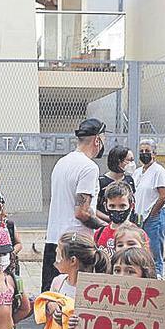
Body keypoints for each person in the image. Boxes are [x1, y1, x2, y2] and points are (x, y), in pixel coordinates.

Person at [42, 118, 106, 292]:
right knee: (73, 300)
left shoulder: (62, 163)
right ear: (97, 140)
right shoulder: (89, 168)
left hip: (54, 241)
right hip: (76, 246)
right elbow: (81, 212)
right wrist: (105, 228)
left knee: (50, 298)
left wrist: (106, 219)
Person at [133, 138, 165, 276]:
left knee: (154, 252)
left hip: (154, 217)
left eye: (147, 151)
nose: (144, 154)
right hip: (139, 218)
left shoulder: (158, 171)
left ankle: (157, 277)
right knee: (142, 250)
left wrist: (153, 213)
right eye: (141, 151)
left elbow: (163, 196)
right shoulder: (138, 172)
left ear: (154, 154)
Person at [94, 182, 135, 254]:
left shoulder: (137, 234)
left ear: (131, 206)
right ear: (105, 206)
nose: (117, 210)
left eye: (122, 206)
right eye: (112, 206)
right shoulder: (99, 233)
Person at [97, 146, 135, 221]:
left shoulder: (129, 180)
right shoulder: (101, 182)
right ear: (118, 161)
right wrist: (110, 218)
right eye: (129, 160)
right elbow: (93, 208)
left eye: (132, 160)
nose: (132, 164)